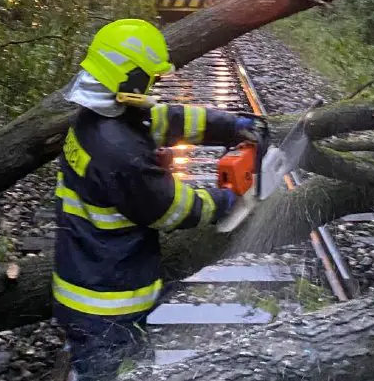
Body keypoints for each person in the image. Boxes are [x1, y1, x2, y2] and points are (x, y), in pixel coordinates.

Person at [50, 19, 256, 381]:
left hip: (87, 278)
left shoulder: (97, 118)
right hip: (108, 303)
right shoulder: (119, 151)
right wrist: (225, 201)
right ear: (129, 79)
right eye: (151, 78)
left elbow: (168, 119)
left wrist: (230, 125)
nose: (156, 84)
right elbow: (169, 208)